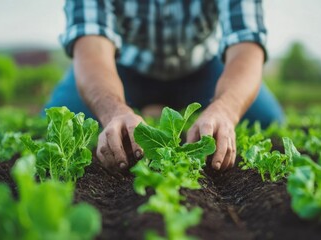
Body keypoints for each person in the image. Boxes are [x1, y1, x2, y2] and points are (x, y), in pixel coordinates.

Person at [44, 0, 284, 173]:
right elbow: (91, 47)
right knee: (58, 121)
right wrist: (113, 111)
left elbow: (246, 46)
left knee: (266, 119)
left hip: (202, 69)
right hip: (125, 69)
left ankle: (158, 110)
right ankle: (146, 107)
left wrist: (226, 109)